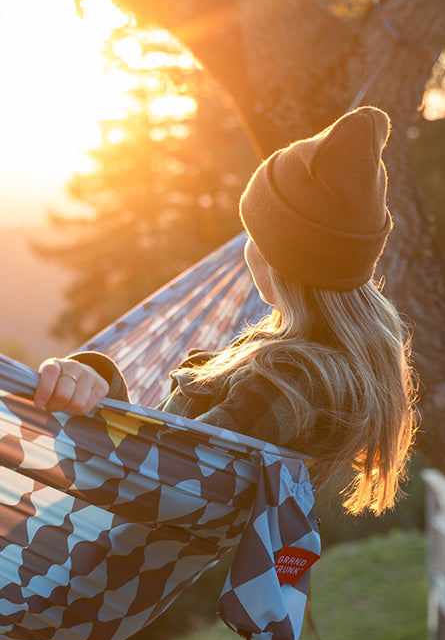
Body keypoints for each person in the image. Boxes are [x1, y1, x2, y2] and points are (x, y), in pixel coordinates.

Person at [33, 106, 417, 516]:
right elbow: (161, 465)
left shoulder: (287, 381)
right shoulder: (314, 369)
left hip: (109, 548)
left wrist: (88, 408)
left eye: (251, 233)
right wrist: (95, 383)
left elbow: (155, 487)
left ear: (278, 258)